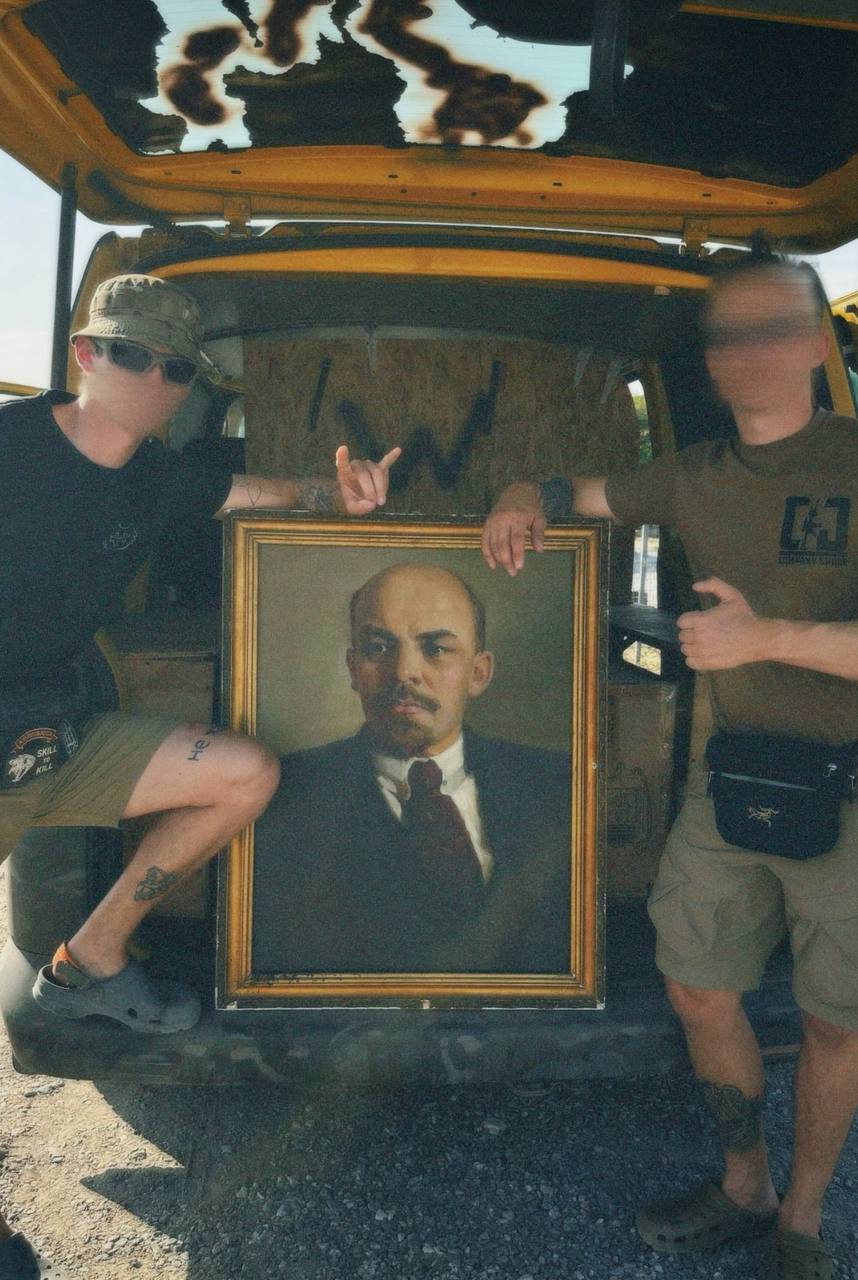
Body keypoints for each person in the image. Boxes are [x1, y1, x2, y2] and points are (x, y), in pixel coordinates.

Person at [480, 256, 858, 1280]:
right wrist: (522, 493)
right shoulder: (692, 473)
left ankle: (804, 1221)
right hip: (735, 780)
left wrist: (765, 637)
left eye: (772, 327)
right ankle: (746, 1185)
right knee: (695, 986)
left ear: (816, 341)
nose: (747, 352)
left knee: (835, 1023)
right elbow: (582, 494)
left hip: (852, 789)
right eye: (728, 336)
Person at [253, 562, 570, 973]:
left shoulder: (559, 786)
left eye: (435, 649)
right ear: (353, 668)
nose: (404, 672)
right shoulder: (285, 799)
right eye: (378, 648)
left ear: (478, 673)